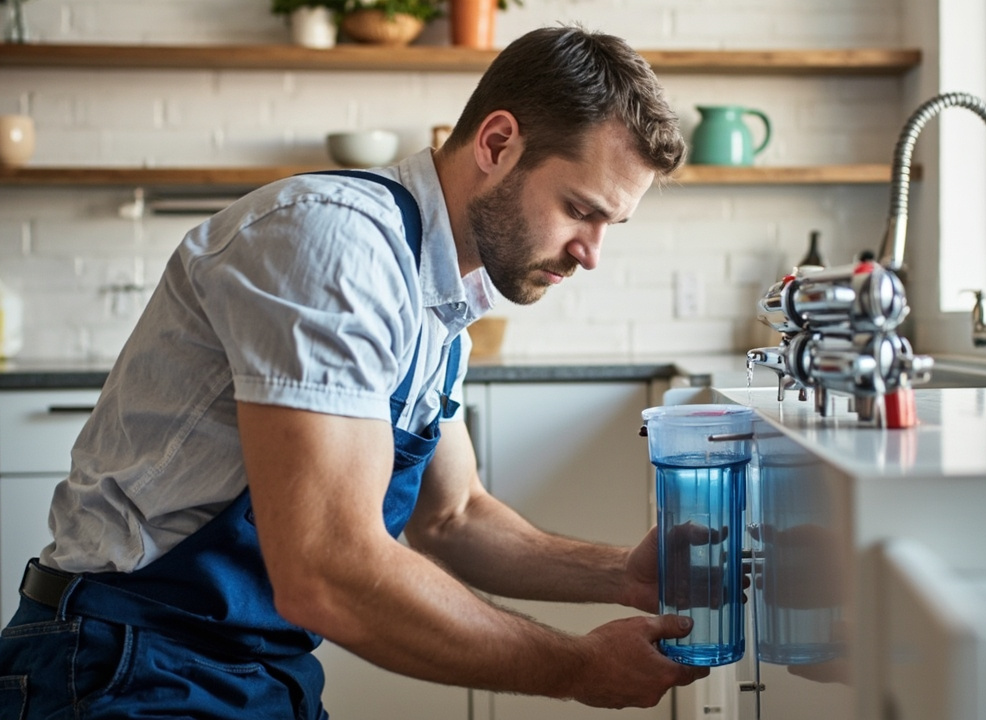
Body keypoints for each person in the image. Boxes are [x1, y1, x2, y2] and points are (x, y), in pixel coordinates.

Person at [0, 24, 705, 718]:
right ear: (496, 144)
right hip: (122, 664)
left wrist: (623, 574)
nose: (591, 254)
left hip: (251, 671)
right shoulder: (336, 245)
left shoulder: (439, 297)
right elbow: (328, 570)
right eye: (580, 210)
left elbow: (453, 518)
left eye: (610, 225)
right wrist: (579, 667)